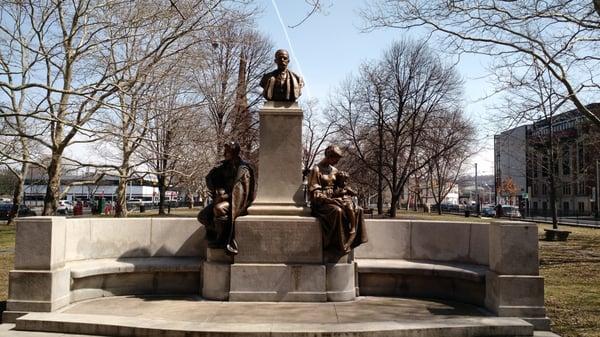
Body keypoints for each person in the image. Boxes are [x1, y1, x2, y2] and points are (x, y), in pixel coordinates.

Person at [197, 141, 255, 255]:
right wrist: (216, 183)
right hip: (225, 199)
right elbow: (211, 181)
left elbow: (241, 193)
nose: (225, 153)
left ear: (234, 152)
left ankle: (222, 240)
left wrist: (225, 196)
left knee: (219, 209)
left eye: (227, 151)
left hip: (237, 202)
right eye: (225, 151)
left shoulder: (243, 169)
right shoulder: (224, 166)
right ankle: (216, 234)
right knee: (202, 216)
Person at [308, 145, 367, 255]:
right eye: (336, 159)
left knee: (357, 209)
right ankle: (338, 246)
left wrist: (344, 190)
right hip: (321, 204)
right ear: (329, 156)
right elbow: (315, 194)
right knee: (337, 211)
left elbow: (339, 187)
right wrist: (330, 200)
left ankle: (352, 237)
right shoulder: (316, 169)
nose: (337, 162)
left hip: (335, 199)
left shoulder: (334, 170)